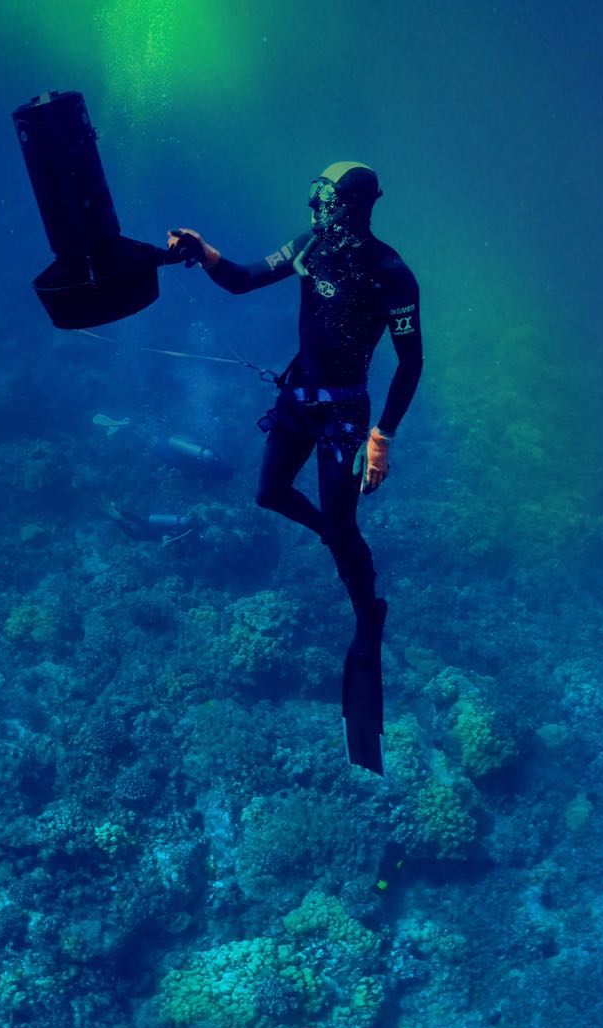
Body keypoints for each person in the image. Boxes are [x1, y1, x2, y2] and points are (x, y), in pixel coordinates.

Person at [167, 162, 423, 774]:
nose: (312, 209)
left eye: (322, 200)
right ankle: (337, 536)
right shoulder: (311, 244)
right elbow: (244, 278)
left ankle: (368, 613)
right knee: (270, 493)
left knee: (341, 524)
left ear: (351, 206)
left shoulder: (392, 274)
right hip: (297, 398)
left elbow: (411, 362)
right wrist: (204, 251)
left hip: (344, 416)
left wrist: (382, 437)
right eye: (313, 198)